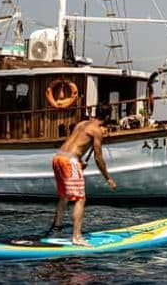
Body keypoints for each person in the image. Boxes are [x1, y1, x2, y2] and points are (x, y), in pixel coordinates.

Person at [49, 105, 117, 246]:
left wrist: (79, 161)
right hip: (69, 161)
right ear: (107, 117)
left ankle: (56, 228)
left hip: (58, 157)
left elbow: (74, 144)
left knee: (64, 195)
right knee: (80, 199)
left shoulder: (82, 123)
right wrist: (108, 178)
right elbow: (99, 159)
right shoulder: (97, 131)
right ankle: (77, 237)